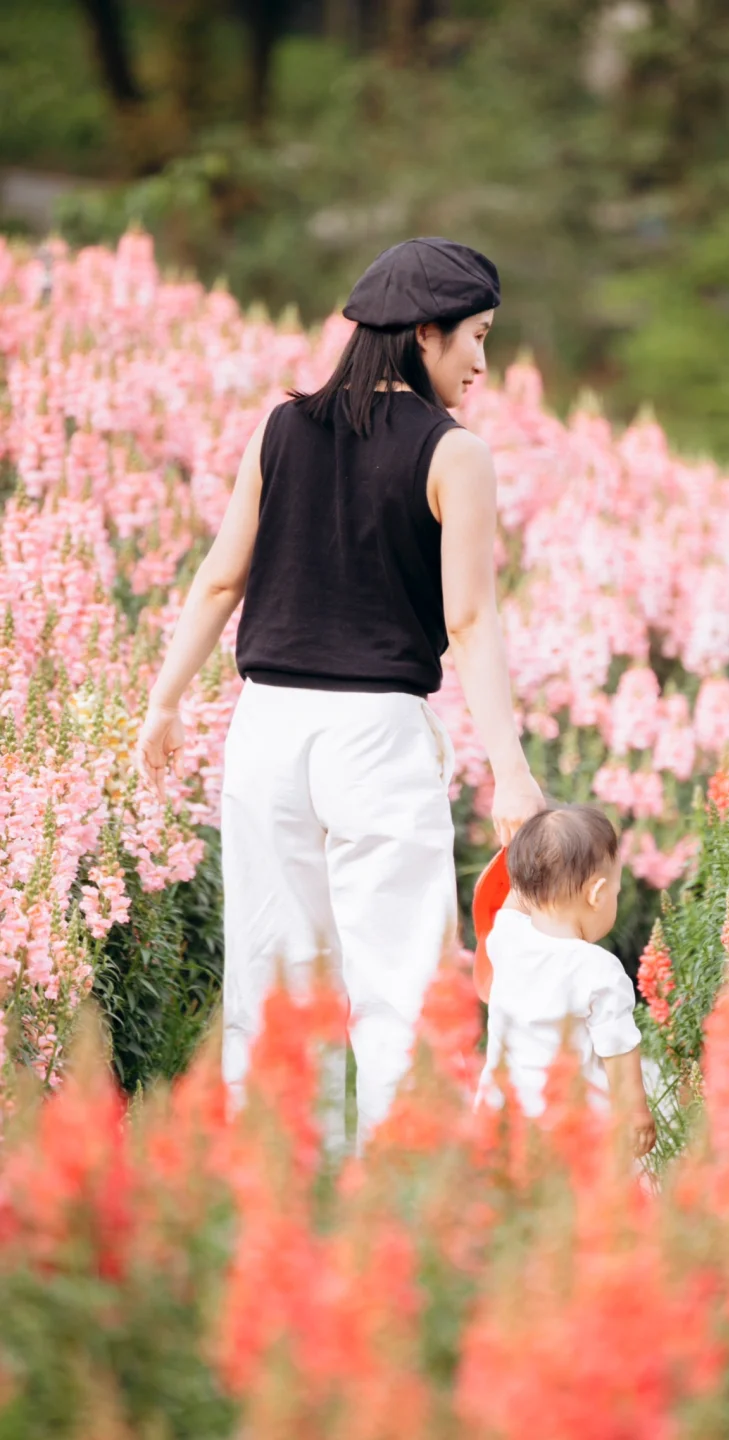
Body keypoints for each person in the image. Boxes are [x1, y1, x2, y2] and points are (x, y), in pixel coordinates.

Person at [135, 237, 545, 1150]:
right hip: (376, 736)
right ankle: (397, 1206)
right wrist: (511, 775)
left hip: (267, 729)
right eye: (476, 338)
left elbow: (216, 579)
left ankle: (276, 1186)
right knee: (401, 985)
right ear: (424, 334)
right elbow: (471, 623)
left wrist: (164, 702)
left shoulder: (281, 429)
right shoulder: (453, 454)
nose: (482, 364)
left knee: (272, 980)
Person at [476, 804, 657, 1159]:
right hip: (570, 1129)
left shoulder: (505, 934)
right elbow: (618, 1051)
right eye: (616, 892)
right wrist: (635, 1113)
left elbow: (517, 891)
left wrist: (527, 840)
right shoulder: (599, 970)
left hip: (501, 1114)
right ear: (597, 893)